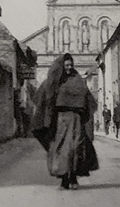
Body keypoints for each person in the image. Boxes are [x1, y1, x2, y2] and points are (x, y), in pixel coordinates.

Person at [31, 54, 98, 190]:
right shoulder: (54, 81)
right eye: (66, 65)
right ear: (62, 66)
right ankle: (64, 179)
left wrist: (84, 114)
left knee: (75, 148)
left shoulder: (77, 79)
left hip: (76, 120)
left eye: (71, 65)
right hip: (60, 121)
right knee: (62, 149)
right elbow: (42, 97)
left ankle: (73, 178)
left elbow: (88, 99)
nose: (69, 68)